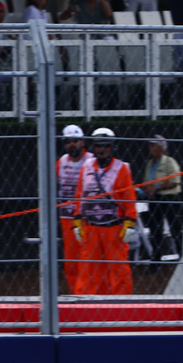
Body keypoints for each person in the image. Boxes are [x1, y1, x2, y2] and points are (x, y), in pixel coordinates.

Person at [73, 127, 137, 294]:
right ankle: (86, 306)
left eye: (106, 146)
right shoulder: (86, 167)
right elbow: (80, 193)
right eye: (98, 146)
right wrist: (77, 218)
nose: (102, 150)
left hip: (114, 229)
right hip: (91, 228)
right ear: (93, 147)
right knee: (88, 270)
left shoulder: (122, 168)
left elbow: (129, 197)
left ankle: (122, 307)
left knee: (119, 270)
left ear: (112, 147)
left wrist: (130, 221)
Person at [56, 124, 90, 292]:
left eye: (75, 141)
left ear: (82, 142)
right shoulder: (61, 162)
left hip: (87, 218)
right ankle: (75, 293)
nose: (72, 144)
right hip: (67, 219)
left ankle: (88, 293)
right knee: (70, 261)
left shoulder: (91, 160)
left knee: (88, 259)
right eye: (68, 141)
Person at [139, 134, 183, 259]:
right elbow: (147, 180)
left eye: (153, 145)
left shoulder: (169, 161)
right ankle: (156, 259)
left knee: (175, 228)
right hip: (154, 200)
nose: (150, 148)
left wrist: (157, 187)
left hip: (169, 198)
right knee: (154, 229)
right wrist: (146, 189)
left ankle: (182, 255)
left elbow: (175, 181)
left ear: (161, 147)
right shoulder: (149, 163)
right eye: (150, 145)